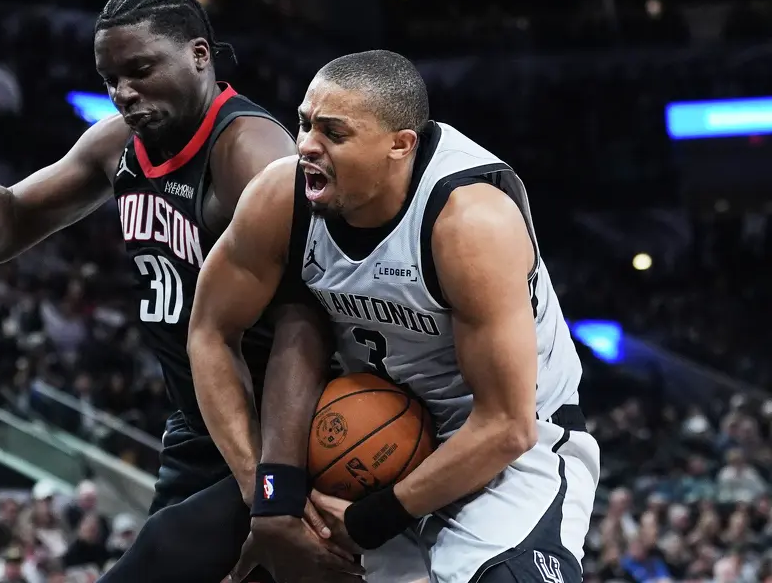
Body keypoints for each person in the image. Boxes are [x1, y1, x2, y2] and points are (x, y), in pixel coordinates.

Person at [0, 0, 350, 583]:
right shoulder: (119, 145)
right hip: (197, 426)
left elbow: (309, 323)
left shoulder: (251, 155)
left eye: (140, 69)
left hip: (279, 429)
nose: (124, 93)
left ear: (199, 55)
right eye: (112, 79)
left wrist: (273, 490)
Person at [188, 50, 601, 582]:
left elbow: (507, 425)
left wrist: (370, 520)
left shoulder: (469, 221)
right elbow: (210, 331)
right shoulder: (279, 195)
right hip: (379, 441)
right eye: (305, 124)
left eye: (333, 134)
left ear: (400, 145)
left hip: (509, 448)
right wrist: (268, 494)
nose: (307, 146)